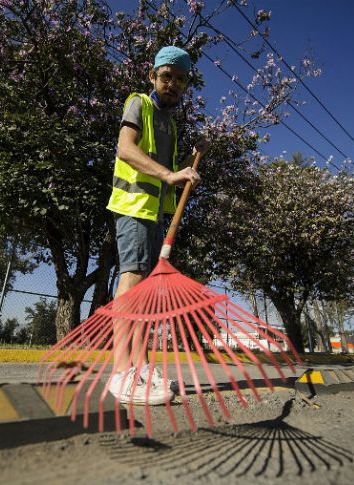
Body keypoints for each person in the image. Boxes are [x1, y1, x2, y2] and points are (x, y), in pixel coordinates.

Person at [106, 46, 209, 405]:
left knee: (146, 294)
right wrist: (169, 174)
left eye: (180, 79)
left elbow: (172, 172)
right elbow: (126, 149)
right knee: (133, 279)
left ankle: (142, 366)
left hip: (155, 215)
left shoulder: (171, 125)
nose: (173, 84)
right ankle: (120, 372)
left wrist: (190, 161)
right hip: (133, 206)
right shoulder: (139, 104)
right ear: (153, 76)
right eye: (167, 76)